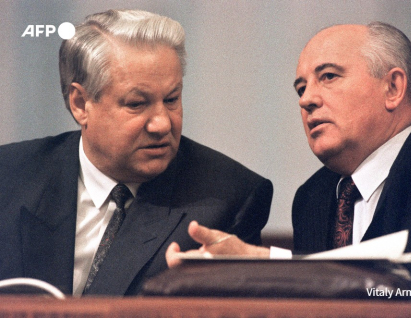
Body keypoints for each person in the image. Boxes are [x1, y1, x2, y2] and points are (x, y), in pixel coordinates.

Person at [167, 22, 411, 298]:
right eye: (301, 88)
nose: (306, 99)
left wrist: (263, 263)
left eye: (328, 76)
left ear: (393, 87)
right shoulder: (312, 197)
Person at [0, 9, 273, 296]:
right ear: (81, 104)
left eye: (171, 100)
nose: (162, 124)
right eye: (137, 104)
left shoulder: (228, 198)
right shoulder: (9, 177)